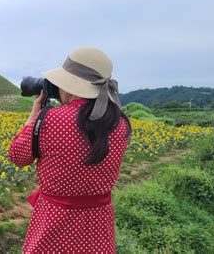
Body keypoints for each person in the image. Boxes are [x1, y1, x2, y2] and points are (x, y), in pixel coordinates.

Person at [9, 46, 132, 253]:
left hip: (54, 223)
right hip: (98, 226)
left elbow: (18, 156)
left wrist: (33, 117)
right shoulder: (120, 123)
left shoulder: (51, 119)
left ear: (70, 85)